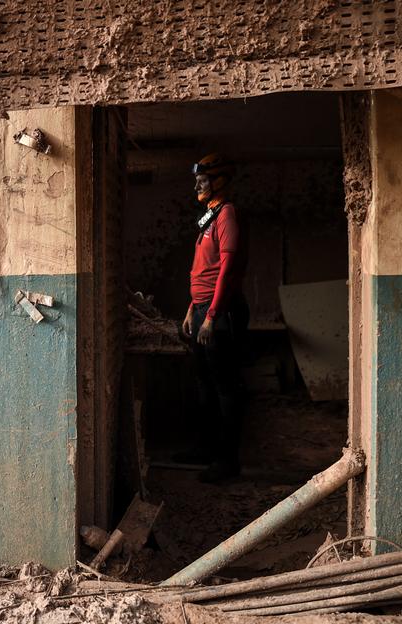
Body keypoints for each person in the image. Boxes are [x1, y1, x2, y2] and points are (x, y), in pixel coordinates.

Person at [179, 153, 249, 483]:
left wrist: (211, 315)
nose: (197, 185)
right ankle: (204, 449)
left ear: (219, 182)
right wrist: (192, 308)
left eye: (203, 180)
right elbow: (201, 270)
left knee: (225, 388)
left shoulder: (227, 214)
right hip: (203, 309)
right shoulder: (209, 216)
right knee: (204, 383)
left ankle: (228, 462)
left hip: (220, 312)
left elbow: (226, 269)